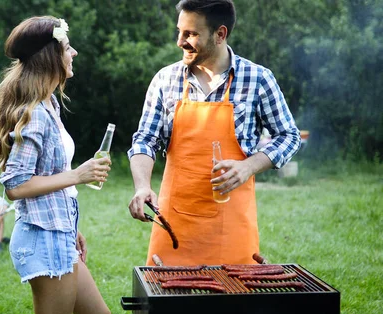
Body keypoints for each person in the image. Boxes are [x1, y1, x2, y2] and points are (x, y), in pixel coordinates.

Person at [127, 0, 301, 266]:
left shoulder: (258, 79)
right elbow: (145, 139)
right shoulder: (166, 79)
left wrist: (248, 167)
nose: (180, 41)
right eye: (180, 31)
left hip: (231, 228)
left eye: (191, 34)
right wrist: (142, 187)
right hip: (174, 227)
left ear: (220, 34)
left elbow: (289, 136)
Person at [0, 16, 112, 314]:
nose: (74, 53)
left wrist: (72, 229)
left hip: (58, 232)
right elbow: (16, 185)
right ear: (51, 58)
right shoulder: (36, 113)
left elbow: (48, 180)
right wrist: (78, 175)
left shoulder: (50, 105)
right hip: (43, 239)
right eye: (67, 47)